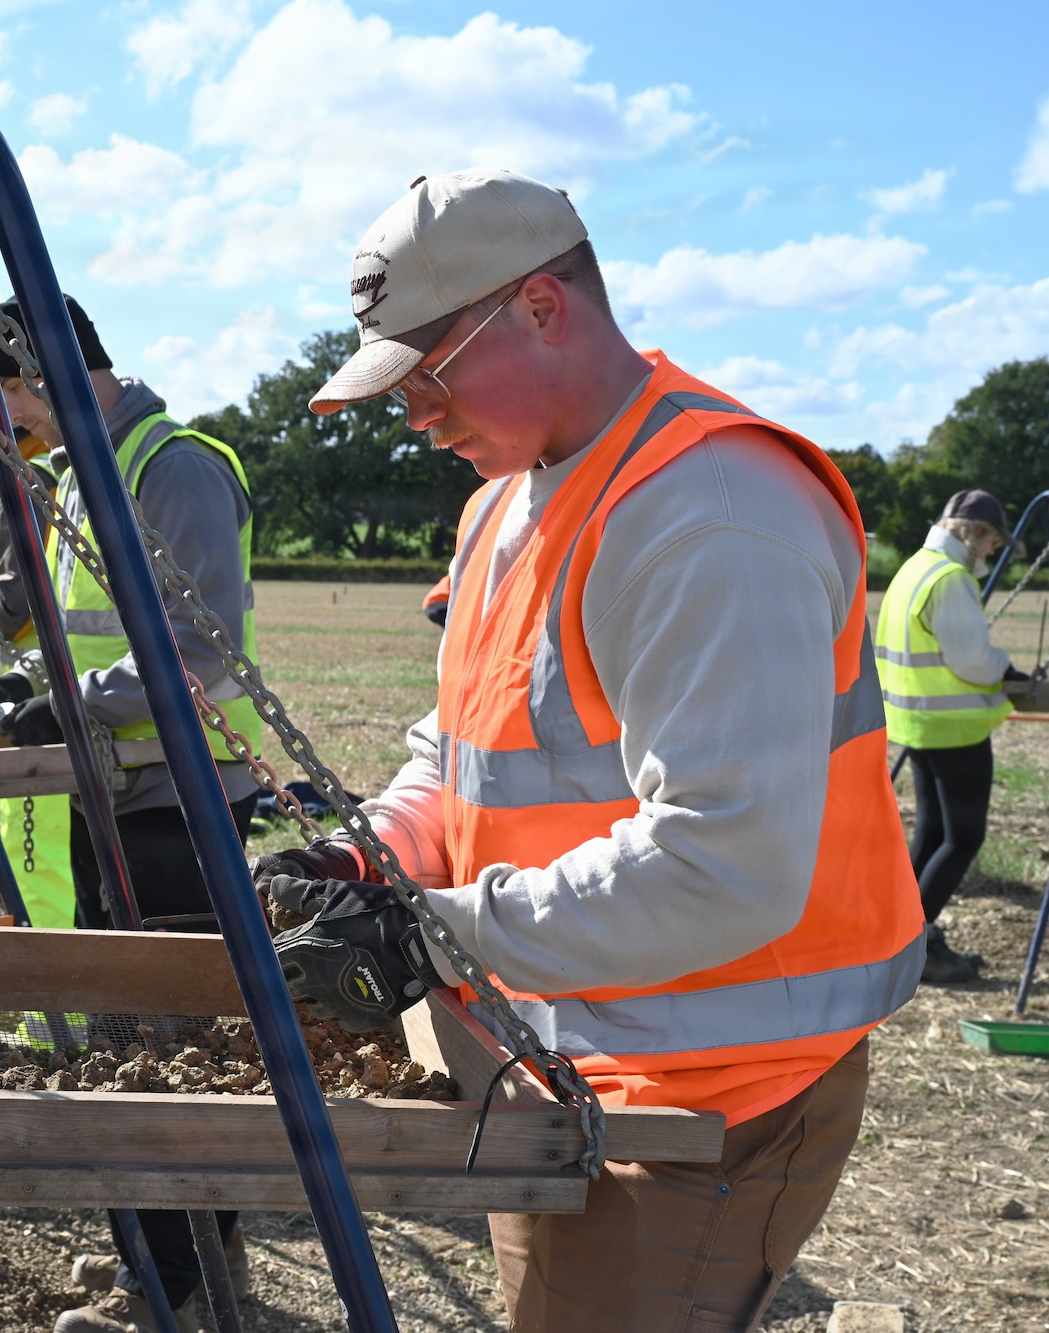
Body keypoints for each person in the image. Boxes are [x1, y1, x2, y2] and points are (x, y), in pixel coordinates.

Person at [255, 169, 923, 1331]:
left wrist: (435, 930)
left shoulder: (708, 510)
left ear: (539, 307)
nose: (412, 412)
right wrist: (371, 858)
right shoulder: (505, 502)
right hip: (565, 1048)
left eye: (426, 373)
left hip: (711, 1096)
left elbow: (722, 861)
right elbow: (460, 759)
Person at [0, 295, 256, 1333]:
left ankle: (169, 1287)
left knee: (170, 1040)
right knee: (128, 1031)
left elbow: (203, 648)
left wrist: (67, 703)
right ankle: (178, 1257)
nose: (1, 430)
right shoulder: (83, 480)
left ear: (31, 372)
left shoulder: (168, 469)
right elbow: (90, 637)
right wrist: (32, 691)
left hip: (173, 803)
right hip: (110, 787)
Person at [876, 489, 1026, 984]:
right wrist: (1006, 666)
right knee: (964, 837)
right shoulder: (951, 579)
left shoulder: (915, 568)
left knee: (933, 834)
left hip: (916, 722)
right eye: (992, 541)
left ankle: (894, 939)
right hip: (953, 727)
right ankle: (919, 943)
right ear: (975, 533)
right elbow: (971, 660)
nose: (990, 552)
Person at [0, 421, 79, 937]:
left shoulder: (20, 484)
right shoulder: (66, 480)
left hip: (40, 683)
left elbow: (21, 590)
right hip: (76, 672)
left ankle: (53, 1008)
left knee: (37, 842)